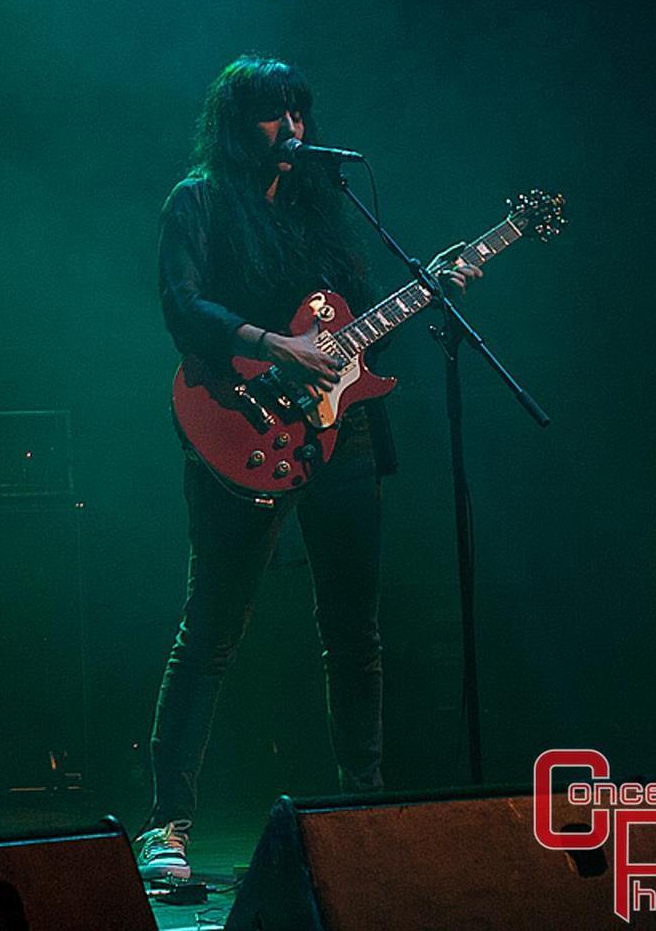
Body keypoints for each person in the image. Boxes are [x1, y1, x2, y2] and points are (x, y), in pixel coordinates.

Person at [141, 55, 477, 884]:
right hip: (236, 425)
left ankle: (361, 811)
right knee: (212, 629)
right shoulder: (199, 200)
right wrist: (271, 344)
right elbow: (181, 305)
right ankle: (167, 827)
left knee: (355, 632)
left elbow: (359, 334)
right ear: (234, 122)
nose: (290, 128)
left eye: (297, 111)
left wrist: (430, 292)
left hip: (343, 434)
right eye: (270, 113)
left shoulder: (327, 205)